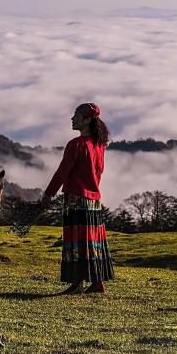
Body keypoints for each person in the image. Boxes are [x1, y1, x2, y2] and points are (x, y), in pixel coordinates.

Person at [42, 102, 114, 294]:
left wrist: (49, 194)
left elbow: (62, 172)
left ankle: (77, 283)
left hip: (76, 198)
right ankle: (97, 282)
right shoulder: (100, 144)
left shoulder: (76, 145)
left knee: (76, 241)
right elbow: (98, 171)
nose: (72, 119)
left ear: (87, 120)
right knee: (93, 241)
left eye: (76, 115)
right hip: (94, 199)